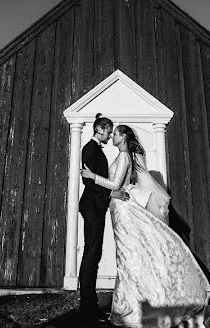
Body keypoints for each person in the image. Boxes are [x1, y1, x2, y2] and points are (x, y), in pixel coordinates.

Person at [81, 124, 210, 328]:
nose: (112, 136)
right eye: (110, 133)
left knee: (127, 258)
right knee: (129, 258)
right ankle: (134, 303)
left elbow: (115, 185)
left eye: (115, 133)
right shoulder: (127, 155)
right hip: (118, 208)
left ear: (123, 137)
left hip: (122, 210)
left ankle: (131, 308)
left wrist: (92, 176)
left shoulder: (123, 156)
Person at [78, 113, 129, 323]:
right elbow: (89, 183)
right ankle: (87, 307)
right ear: (100, 129)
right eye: (108, 131)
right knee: (91, 253)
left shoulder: (96, 150)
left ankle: (90, 305)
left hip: (96, 207)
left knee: (95, 252)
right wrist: (111, 194)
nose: (109, 136)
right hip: (91, 206)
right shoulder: (89, 149)